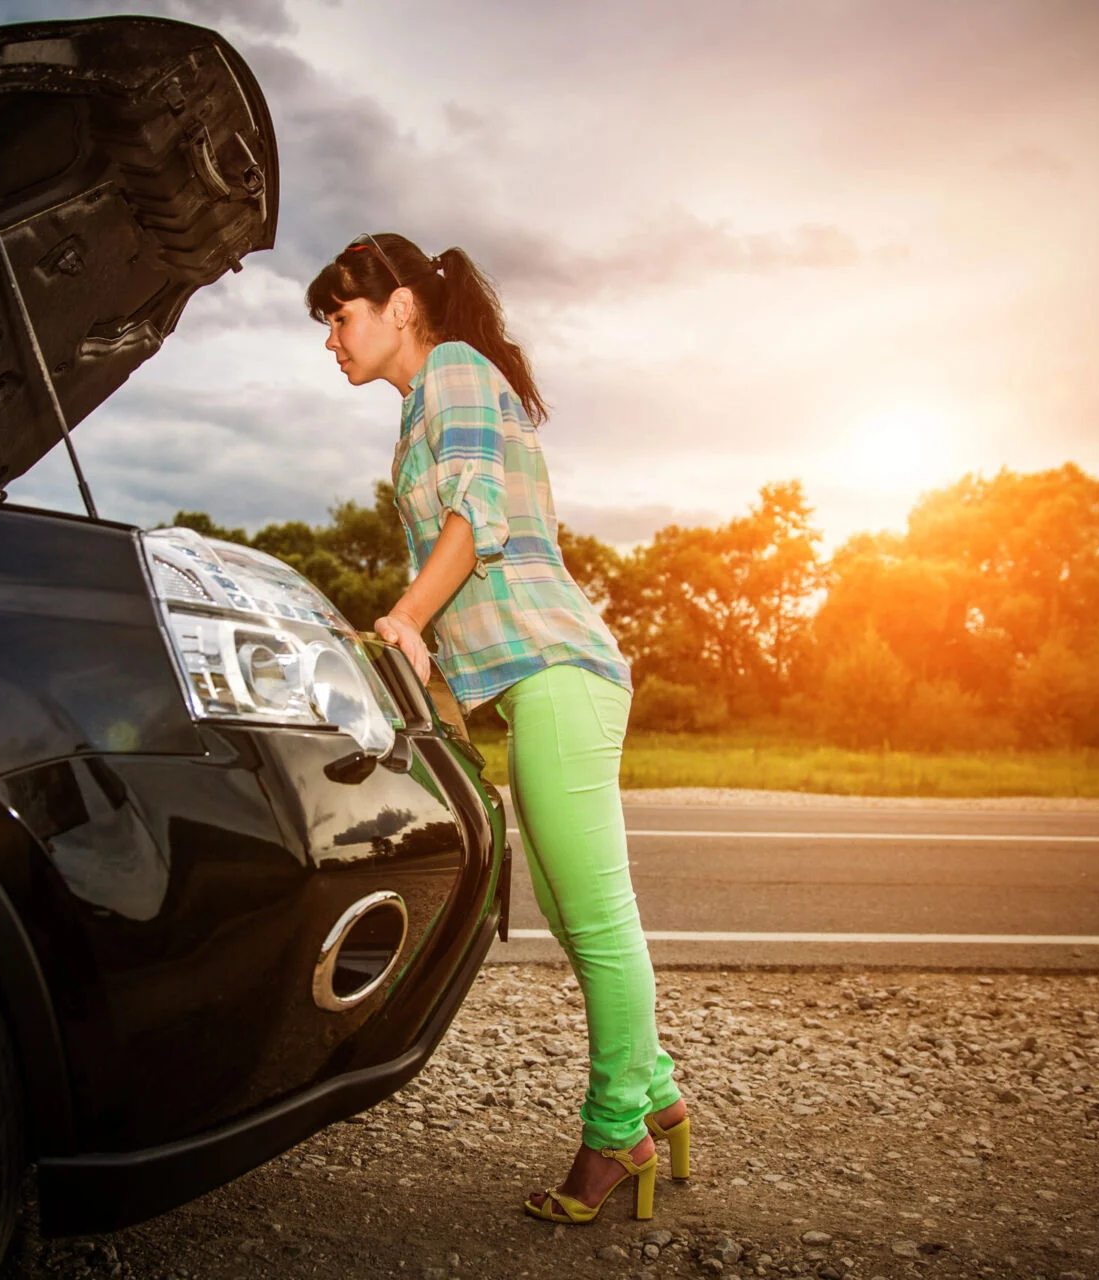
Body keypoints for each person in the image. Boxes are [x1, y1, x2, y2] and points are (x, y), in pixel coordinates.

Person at [307, 232, 690, 1223]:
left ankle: (618, 1134)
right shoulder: (418, 411)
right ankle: (658, 1091)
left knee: (597, 920)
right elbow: (463, 583)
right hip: (535, 683)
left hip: (563, 671)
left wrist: (407, 613)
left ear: (398, 306)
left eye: (339, 317)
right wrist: (431, 682)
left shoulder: (455, 372)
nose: (332, 341)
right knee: (574, 915)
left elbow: (478, 516)